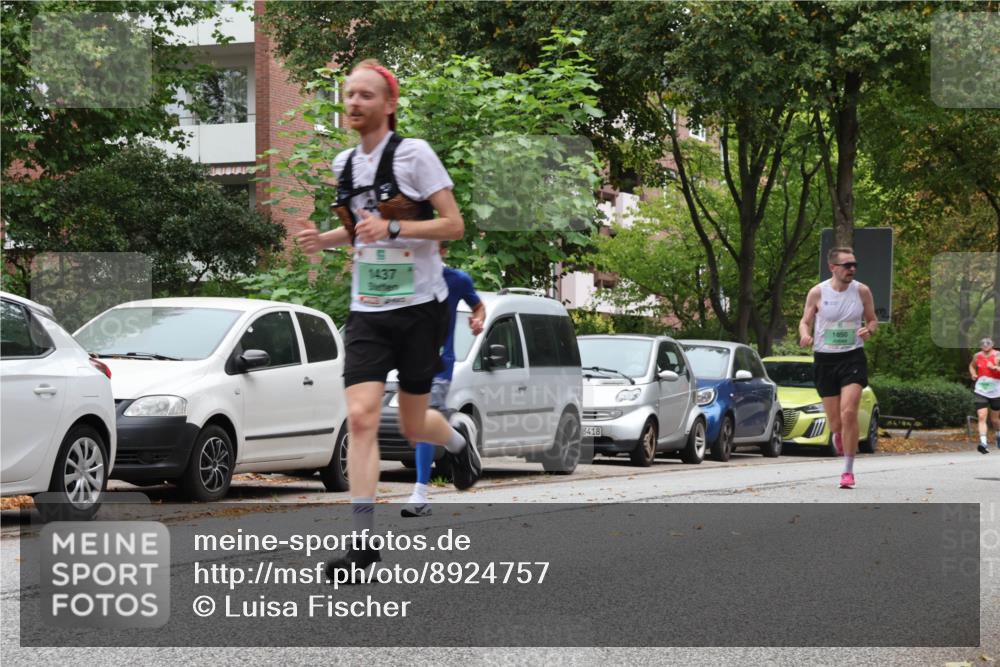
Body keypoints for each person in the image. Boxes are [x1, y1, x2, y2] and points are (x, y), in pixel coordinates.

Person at [294, 59, 481, 577]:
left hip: (421, 307)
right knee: (362, 417)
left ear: (389, 105)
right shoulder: (343, 165)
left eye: (366, 95)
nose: (354, 103)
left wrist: (396, 232)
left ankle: (459, 445)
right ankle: (362, 545)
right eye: (349, 95)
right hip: (368, 311)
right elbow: (360, 233)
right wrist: (324, 239)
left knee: (415, 422)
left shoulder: (414, 155)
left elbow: (454, 225)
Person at [402, 242, 486, 518]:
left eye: (433, 248)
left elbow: (479, 306)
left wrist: (478, 321)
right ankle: (455, 433)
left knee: (423, 423)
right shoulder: (406, 276)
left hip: (439, 364)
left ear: (443, 251)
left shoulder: (457, 280)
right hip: (409, 362)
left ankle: (420, 493)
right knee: (415, 427)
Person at [799, 247, 878, 489]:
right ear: (833, 267)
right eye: (847, 265)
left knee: (849, 412)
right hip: (825, 360)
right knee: (835, 422)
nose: (852, 269)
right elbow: (805, 321)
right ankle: (838, 434)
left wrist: (870, 329)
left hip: (852, 357)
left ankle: (848, 470)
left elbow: (872, 319)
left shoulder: (862, 291)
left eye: (854, 265)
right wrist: (805, 335)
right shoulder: (817, 292)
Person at [968, 337, 1000, 454]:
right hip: (981, 390)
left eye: (988, 343)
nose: (985, 345)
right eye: (983, 343)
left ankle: (998, 435)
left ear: (993, 344)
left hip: (996, 391)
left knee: (995, 420)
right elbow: (971, 366)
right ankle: (983, 443)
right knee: (982, 416)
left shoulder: (998, 355)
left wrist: (995, 367)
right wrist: (973, 373)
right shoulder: (977, 356)